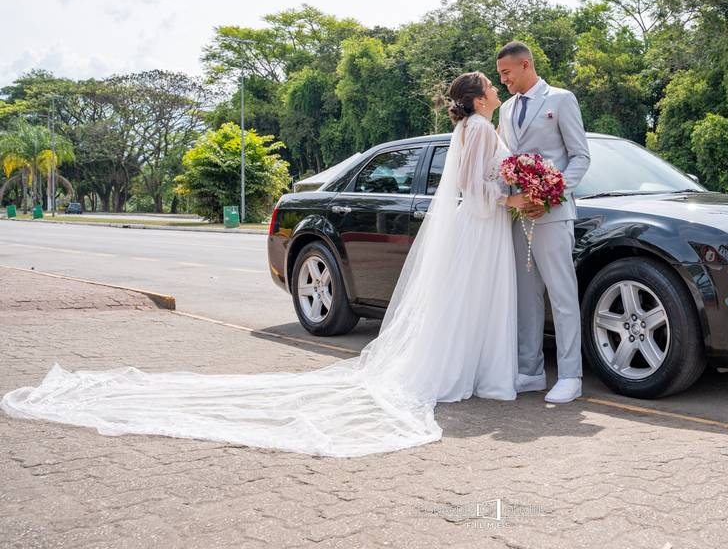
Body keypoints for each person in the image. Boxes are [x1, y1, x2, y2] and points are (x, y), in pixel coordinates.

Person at [1, 72, 533, 458]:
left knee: (461, 301)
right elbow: (472, 187)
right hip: (483, 222)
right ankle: (479, 372)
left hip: (473, 227)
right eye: (490, 84)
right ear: (477, 97)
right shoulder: (482, 130)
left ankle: (465, 369)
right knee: (471, 298)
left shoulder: (470, 130)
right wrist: (511, 198)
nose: (494, 88)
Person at [496, 41, 591, 404]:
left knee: (563, 297)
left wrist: (552, 193)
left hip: (553, 215)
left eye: (506, 73)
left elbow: (580, 157)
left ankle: (571, 376)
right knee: (527, 297)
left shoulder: (561, 99)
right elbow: (507, 161)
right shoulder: (505, 110)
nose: (502, 80)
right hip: (519, 216)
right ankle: (531, 371)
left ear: (525, 65)